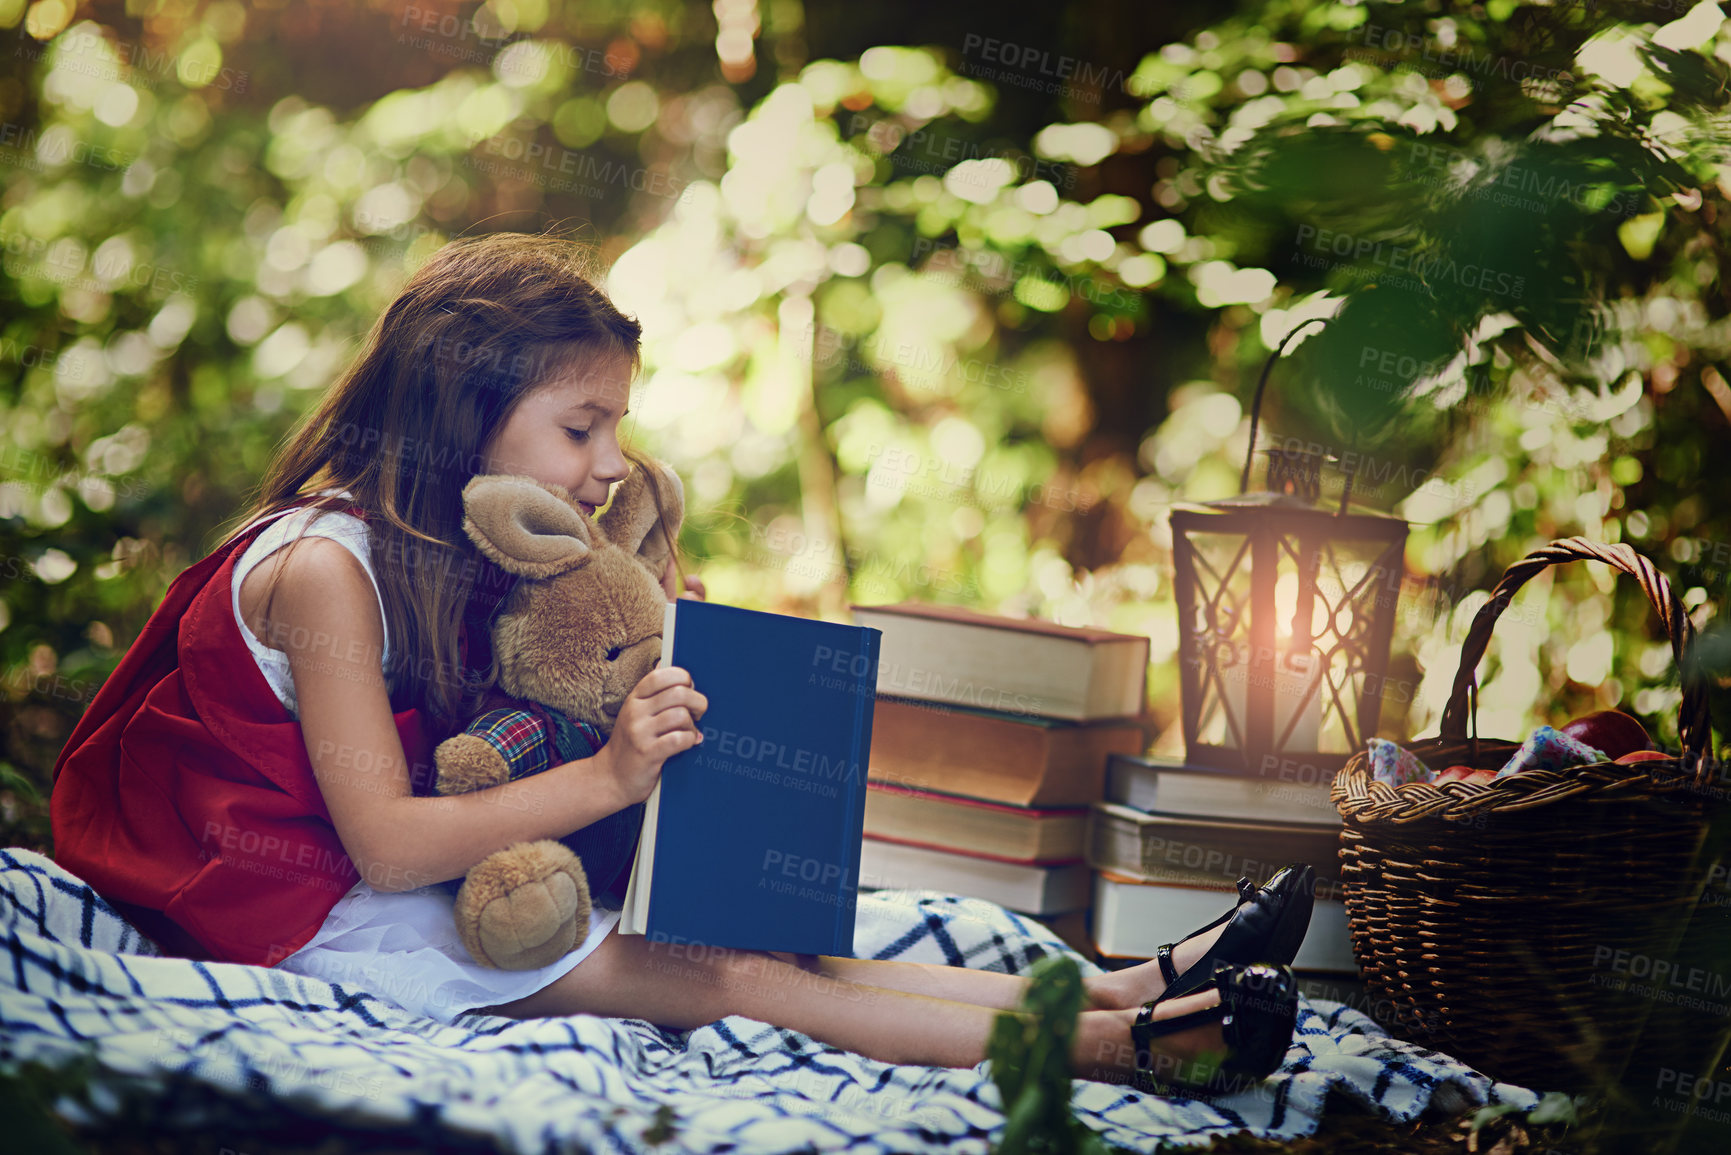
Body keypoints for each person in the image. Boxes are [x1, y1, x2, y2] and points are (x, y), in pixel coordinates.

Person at [50, 232, 1312, 1096]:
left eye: (617, 427)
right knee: (729, 982)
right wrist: (610, 775)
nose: (607, 463)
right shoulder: (324, 569)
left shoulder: (456, 541)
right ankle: (1124, 1051)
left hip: (421, 873)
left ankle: (1124, 984)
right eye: (579, 426)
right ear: (459, 410)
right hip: (306, 915)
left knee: (784, 945)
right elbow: (384, 843)